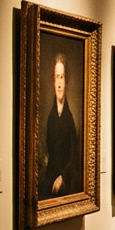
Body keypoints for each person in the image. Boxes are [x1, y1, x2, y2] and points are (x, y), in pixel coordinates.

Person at [40, 53, 81, 199]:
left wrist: (63, 177)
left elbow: (74, 157)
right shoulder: (50, 118)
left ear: (66, 81)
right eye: (56, 77)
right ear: (53, 81)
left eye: (62, 77)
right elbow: (46, 154)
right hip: (49, 180)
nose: (59, 84)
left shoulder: (69, 119)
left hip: (66, 183)